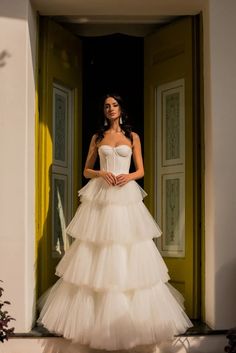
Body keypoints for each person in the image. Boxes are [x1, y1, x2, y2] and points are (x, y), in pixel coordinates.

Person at [38, 93, 192, 352]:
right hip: (101, 196)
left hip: (125, 196)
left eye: (115, 105)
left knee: (127, 249)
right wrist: (101, 173)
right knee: (97, 250)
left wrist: (128, 176)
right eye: (106, 106)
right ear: (104, 110)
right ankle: (95, 322)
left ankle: (129, 324)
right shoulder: (98, 138)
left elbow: (141, 170)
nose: (110, 109)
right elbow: (86, 170)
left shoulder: (133, 137)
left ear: (121, 109)